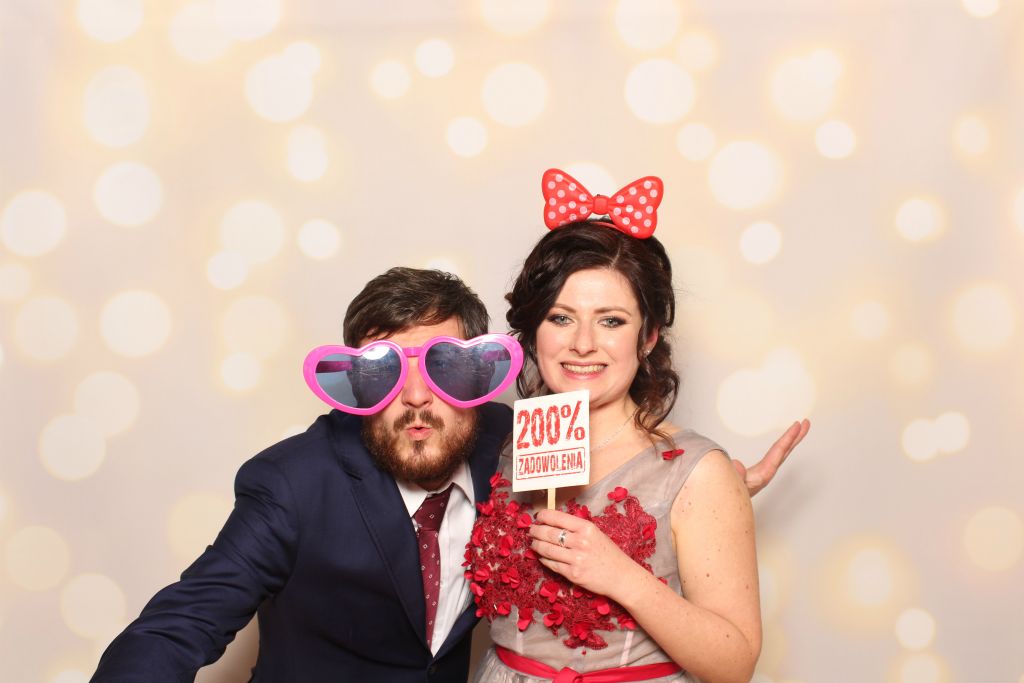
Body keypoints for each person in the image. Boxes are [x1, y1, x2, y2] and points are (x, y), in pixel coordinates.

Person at [91, 261, 804, 682]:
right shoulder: (293, 483)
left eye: (443, 368)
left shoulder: (512, 441)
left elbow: (622, 468)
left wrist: (705, 488)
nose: (415, 398)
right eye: (382, 373)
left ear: (477, 375)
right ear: (355, 383)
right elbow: (179, 625)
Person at [467, 170, 810, 683]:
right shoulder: (502, 442)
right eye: (561, 317)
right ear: (533, 331)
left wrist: (621, 575)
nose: (583, 343)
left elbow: (735, 665)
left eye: (611, 320)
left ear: (647, 337)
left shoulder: (697, 473)